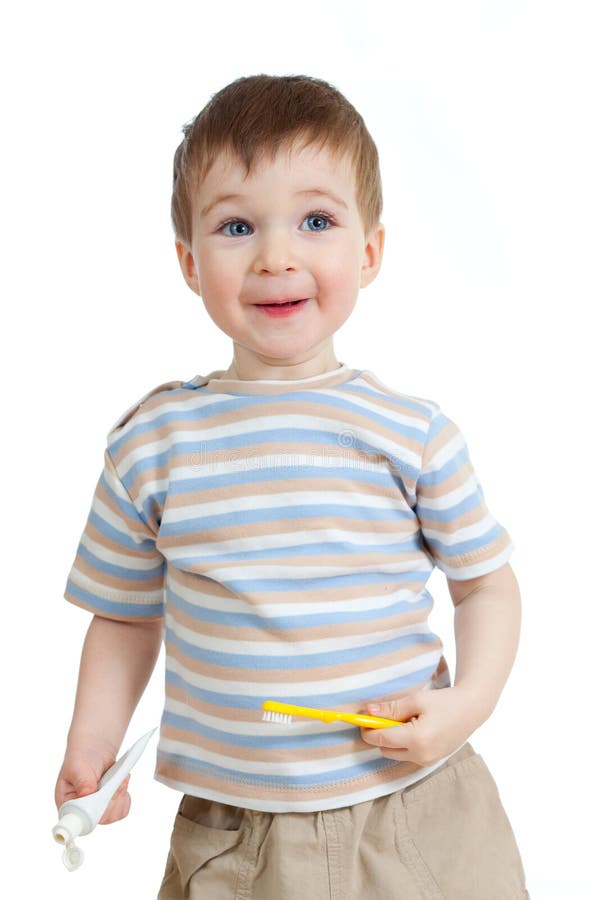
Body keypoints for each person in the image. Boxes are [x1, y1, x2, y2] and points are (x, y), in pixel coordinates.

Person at [55, 74, 529, 899]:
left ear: (369, 251)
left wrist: (468, 706)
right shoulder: (151, 445)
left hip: (416, 812)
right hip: (235, 841)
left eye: (316, 221)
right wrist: (92, 745)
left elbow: (485, 585)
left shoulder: (412, 434)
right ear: (189, 262)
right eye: (237, 226)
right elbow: (126, 615)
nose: (277, 256)